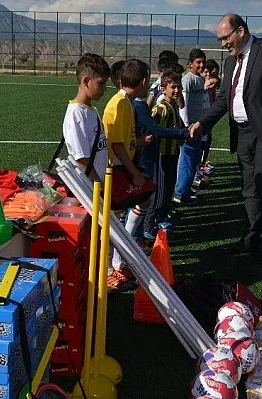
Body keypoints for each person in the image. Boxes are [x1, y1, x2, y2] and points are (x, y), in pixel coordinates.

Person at [190, 14, 262, 259]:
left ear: (241, 31)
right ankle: (251, 238)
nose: (223, 43)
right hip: (242, 133)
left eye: (226, 37)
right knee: (249, 188)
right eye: (220, 39)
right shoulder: (229, 62)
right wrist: (202, 124)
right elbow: (225, 99)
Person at [103, 58, 154, 291]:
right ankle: (113, 267)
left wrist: (139, 142)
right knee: (112, 220)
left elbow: (124, 140)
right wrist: (134, 172)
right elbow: (116, 144)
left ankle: (121, 258)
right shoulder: (120, 103)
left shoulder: (126, 102)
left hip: (122, 165)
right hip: (115, 169)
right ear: (143, 82)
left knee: (142, 199)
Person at [144, 71, 188, 239]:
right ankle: (149, 228)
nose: (177, 90)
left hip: (172, 153)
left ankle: (161, 220)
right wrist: (181, 134)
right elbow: (156, 131)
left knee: (168, 189)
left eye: (179, 87)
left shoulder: (173, 106)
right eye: (173, 87)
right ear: (163, 89)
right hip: (162, 154)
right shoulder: (161, 108)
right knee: (159, 192)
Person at [62, 53, 110, 182]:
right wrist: (98, 186)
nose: (105, 88)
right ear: (86, 81)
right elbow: (81, 159)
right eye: (101, 83)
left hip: (97, 184)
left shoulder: (92, 110)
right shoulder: (76, 113)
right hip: (88, 188)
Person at [174, 48, 206, 205]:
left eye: (203, 62)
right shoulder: (187, 80)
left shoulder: (199, 79)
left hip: (197, 127)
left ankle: (185, 190)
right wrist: (187, 127)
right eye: (198, 62)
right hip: (190, 128)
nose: (201, 65)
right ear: (190, 64)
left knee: (193, 161)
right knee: (187, 160)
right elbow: (183, 106)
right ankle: (180, 193)